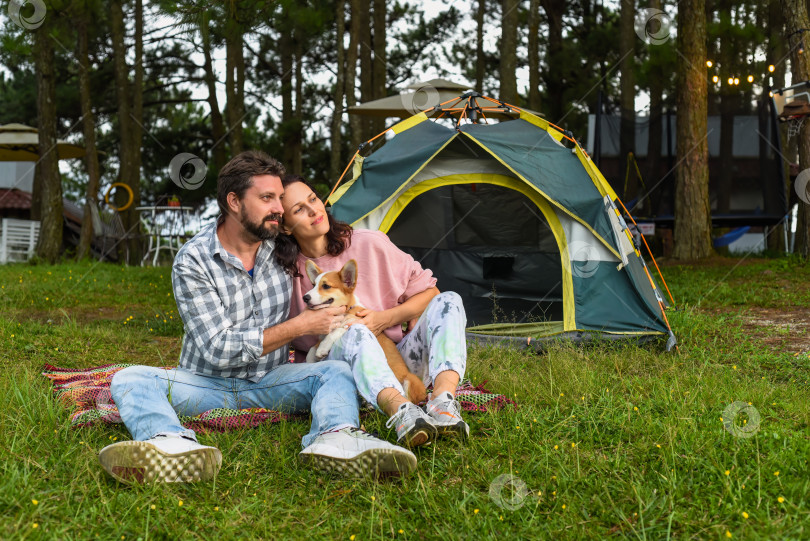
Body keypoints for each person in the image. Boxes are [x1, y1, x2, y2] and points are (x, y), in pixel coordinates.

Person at [98, 151, 417, 484]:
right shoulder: (193, 259)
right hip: (206, 383)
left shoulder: (282, 249)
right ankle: (170, 444)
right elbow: (217, 349)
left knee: (335, 372)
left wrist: (371, 310)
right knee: (129, 378)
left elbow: (332, 263)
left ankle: (338, 439)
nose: (279, 207)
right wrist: (302, 325)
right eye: (267, 198)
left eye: (279, 198)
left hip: (271, 381)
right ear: (234, 201)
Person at [275, 175, 469, 449]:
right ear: (284, 226)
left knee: (450, 300)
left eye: (313, 199)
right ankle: (402, 414)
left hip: (398, 359)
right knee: (354, 330)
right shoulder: (285, 272)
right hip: (345, 370)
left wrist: (385, 318)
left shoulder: (369, 243)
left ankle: (443, 403)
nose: (313, 211)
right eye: (298, 210)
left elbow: (431, 294)